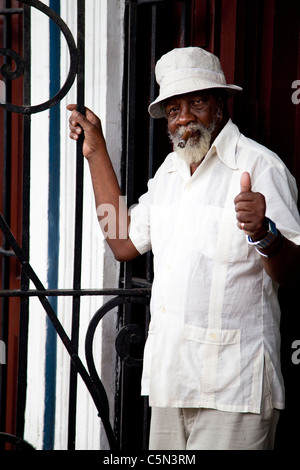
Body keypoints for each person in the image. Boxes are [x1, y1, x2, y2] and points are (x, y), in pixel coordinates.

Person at [68, 47, 300, 450]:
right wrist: (95, 153)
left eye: (197, 102)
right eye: (174, 109)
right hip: (170, 383)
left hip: (234, 391)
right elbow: (122, 241)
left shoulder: (260, 167)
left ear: (221, 106)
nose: (186, 117)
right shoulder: (170, 174)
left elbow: (294, 273)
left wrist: (264, 231)